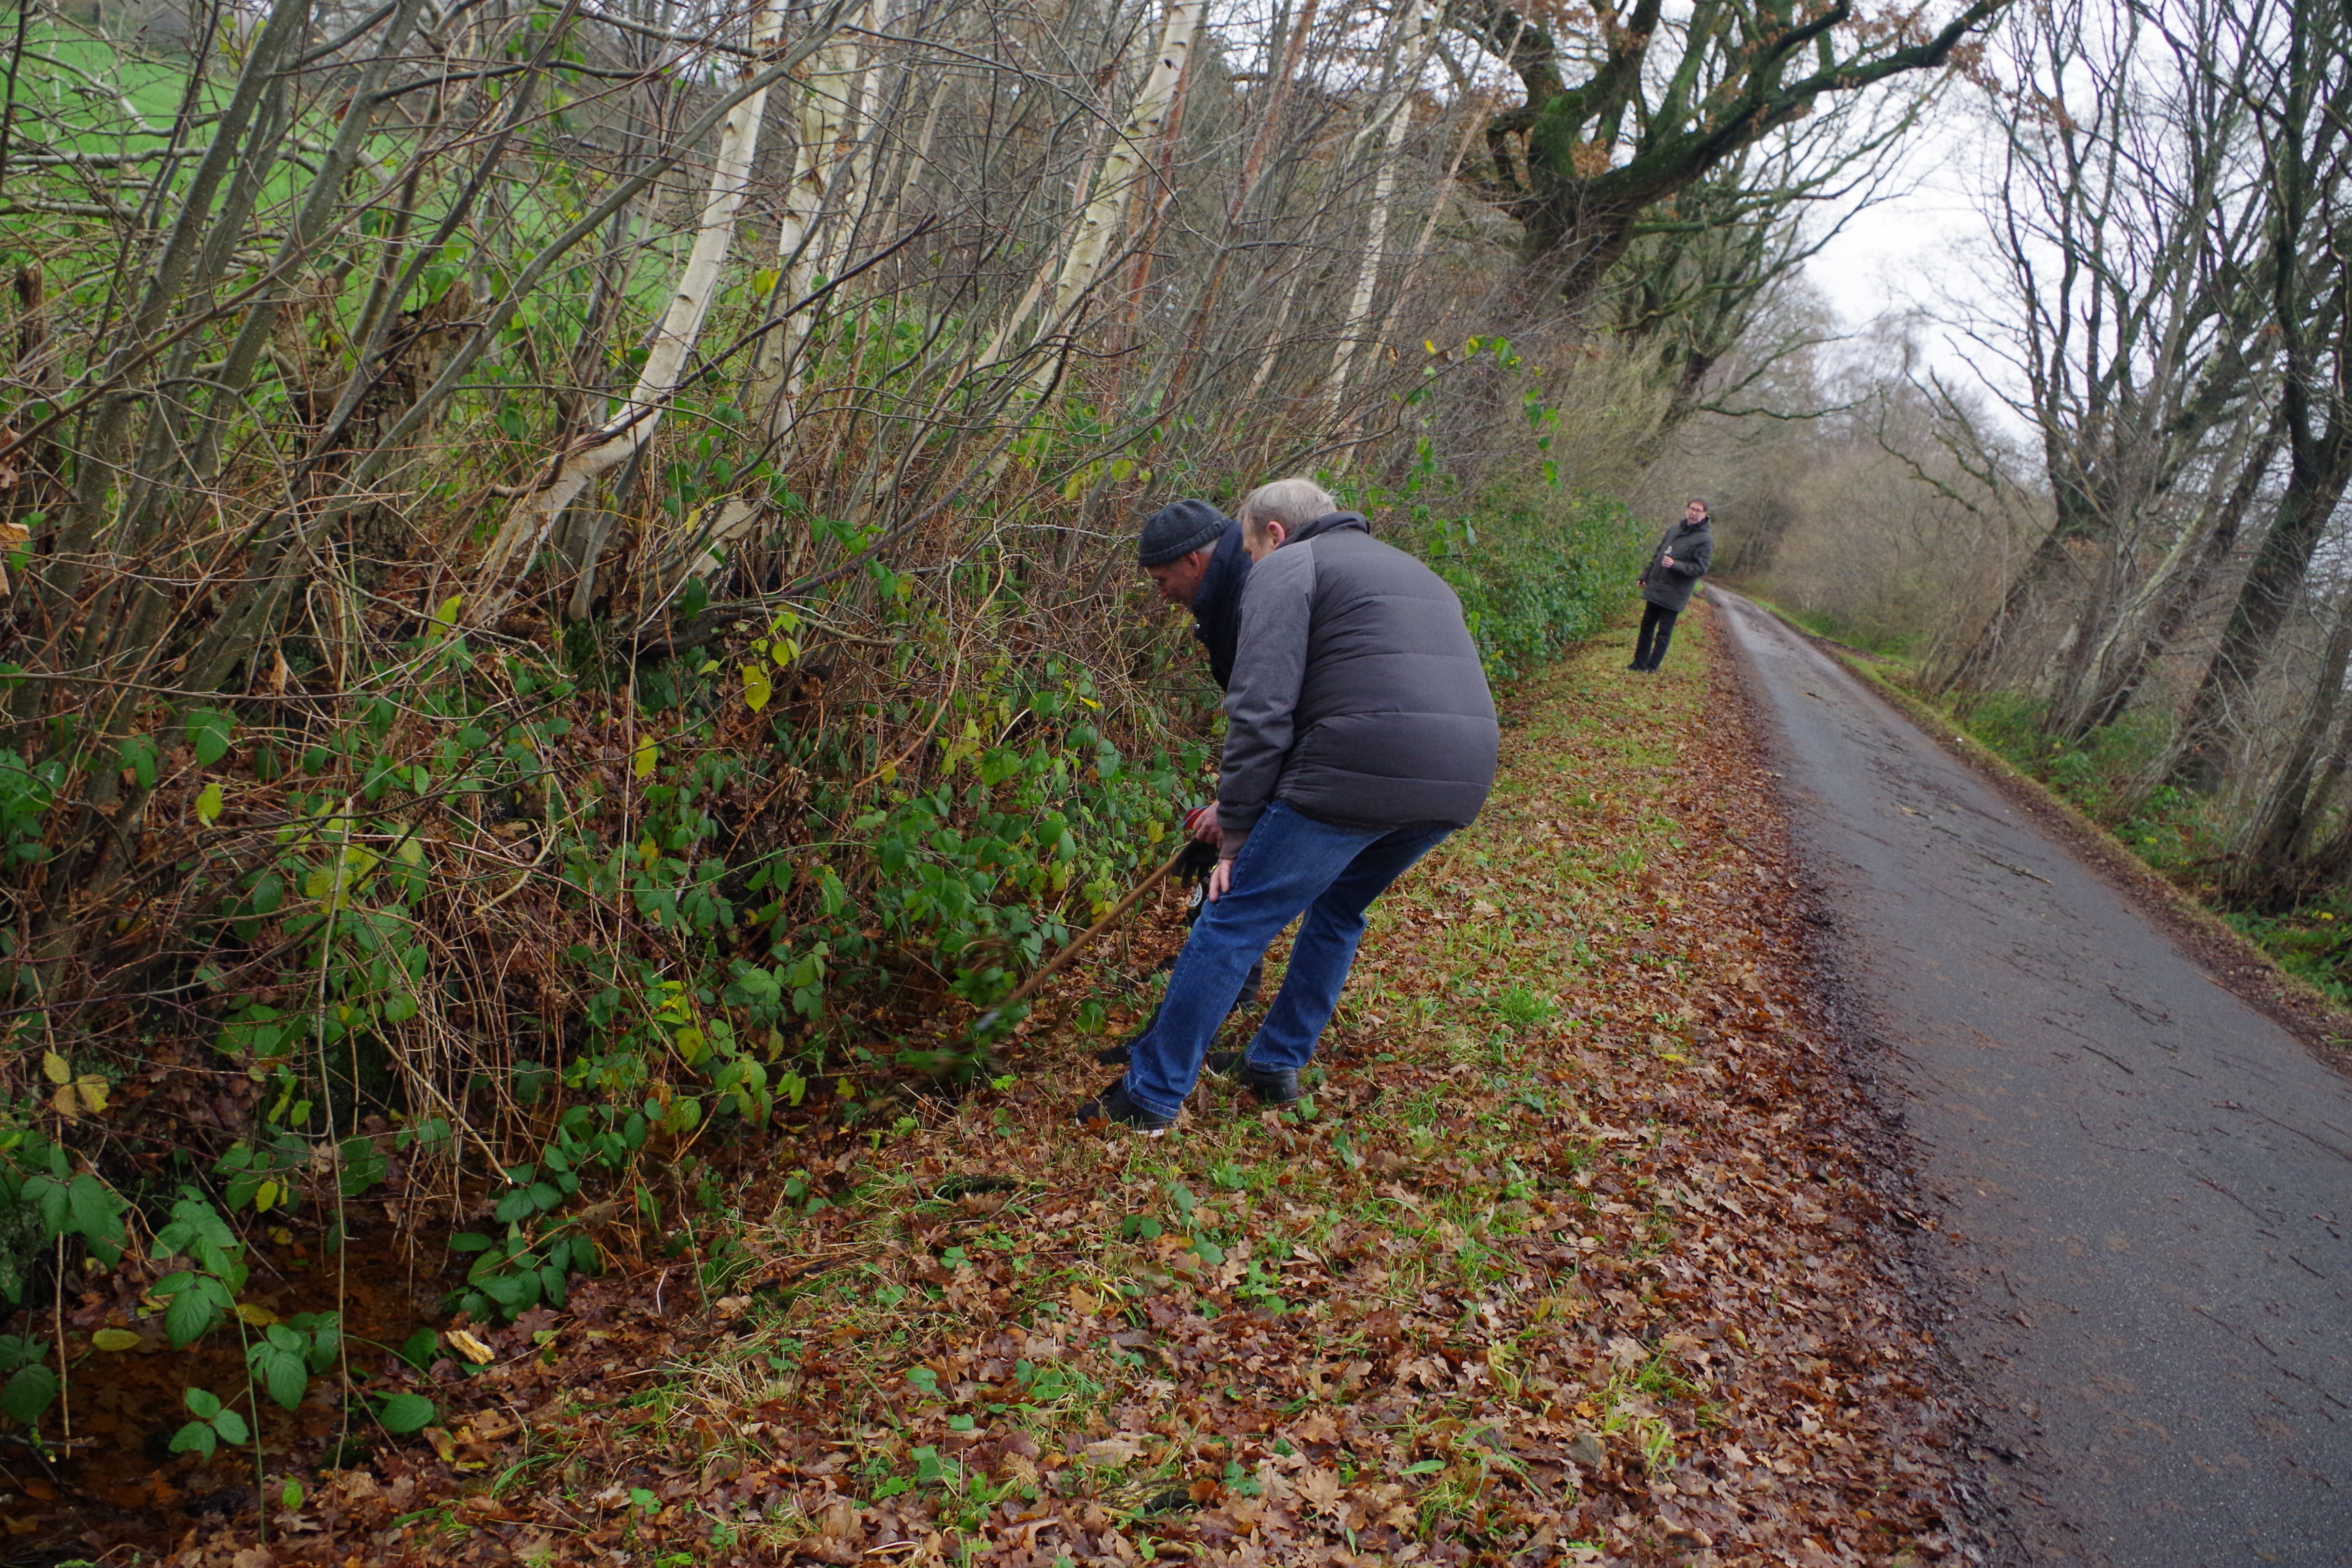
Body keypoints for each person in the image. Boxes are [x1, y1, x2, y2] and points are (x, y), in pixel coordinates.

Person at [1077, 478, 1499, 1133]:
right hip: (1460, 778)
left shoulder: (1289, 567)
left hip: (1357, 770)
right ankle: (1275, 1061)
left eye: (1246, 545)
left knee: (1232, 916)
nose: (1246, 561)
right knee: (1338, 908)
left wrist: (1239, 830)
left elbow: (1261, 711)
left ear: (1274, 532)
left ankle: (1150, 1098)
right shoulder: (1414, 570)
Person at [1098, 500, 1262, 1066]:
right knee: (1261, 898)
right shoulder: (1231, 594)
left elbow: (1265, 715)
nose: (1161, 592)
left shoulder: (1250, 598)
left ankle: (1167, 1062)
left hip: (1323, 763)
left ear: (1194, 560)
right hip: (1329, 758)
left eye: (1163, 578)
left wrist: (1237, 811)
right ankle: (1245, 1025)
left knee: (1230, 905)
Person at [1631, 500, 1714, 672]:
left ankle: (1651, 667)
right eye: (1692, 509)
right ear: (1686, 510)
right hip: (1657, 586)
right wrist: (1645, 575)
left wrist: (1676, 565)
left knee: (1664, 633)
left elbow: (1701, 568)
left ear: (1705, 514)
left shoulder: (1705, 540)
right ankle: (1638, 664)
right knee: (1646, 626)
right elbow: (1657, 555)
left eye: (1699, 510)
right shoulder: (1674, 530)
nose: (1694, 513)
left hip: (1676, 592)